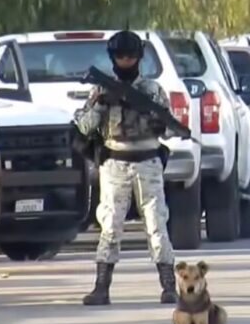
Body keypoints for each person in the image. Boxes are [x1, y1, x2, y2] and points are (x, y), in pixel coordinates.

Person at [74, 30, 177, 306]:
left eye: (131, 55)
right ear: (113, 57)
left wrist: (157, 121)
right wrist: (101, 105)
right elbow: (84, 126)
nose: (126, 60)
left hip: (148, 161)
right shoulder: (101, 89)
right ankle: (101, 287)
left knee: (157, 223)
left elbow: (168, 127)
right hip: (115, 162)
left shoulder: (152, 91)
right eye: (121, 56)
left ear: (139, 58)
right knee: (110, 225)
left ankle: (169, 286)